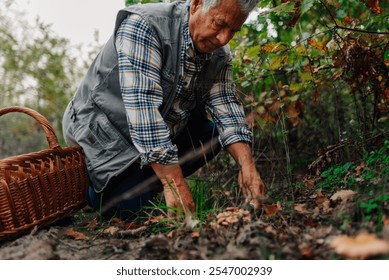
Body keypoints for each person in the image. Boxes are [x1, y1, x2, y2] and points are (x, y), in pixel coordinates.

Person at [62, 0, 265, 219]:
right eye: (219, 24)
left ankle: (148, 179)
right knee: (128, 209)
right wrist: (175, 182)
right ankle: (95, 190)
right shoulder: (144, 26)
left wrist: (248, 166)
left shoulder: (220, 55)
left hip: (157, 129)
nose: (223, 38)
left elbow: (226, 105)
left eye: (233, 31)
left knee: (214, 137)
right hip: (103, 133)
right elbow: (144, 110)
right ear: (196, 4)